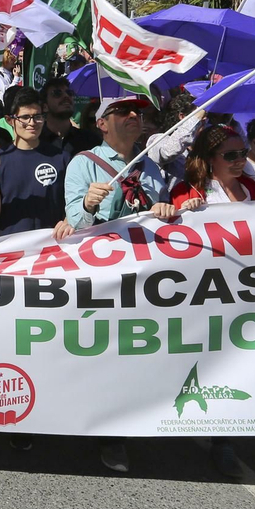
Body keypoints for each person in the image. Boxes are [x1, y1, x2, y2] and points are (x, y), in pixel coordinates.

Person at [169, 124, 255, 478]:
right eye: (229, 155)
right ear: (209, 159)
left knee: (232, 362)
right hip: (202, 293)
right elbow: (168, 234)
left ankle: (223, 439)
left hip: (246, 294)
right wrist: (182, 211)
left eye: (241, 153)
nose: (239, 160)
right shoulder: (187, 190)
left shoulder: (253, 189)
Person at [62, 95, 182, 475]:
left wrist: (166, 211)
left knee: (136, 350)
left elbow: (162, 216)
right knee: (105, 353)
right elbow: (73, 226)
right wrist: (88, 205)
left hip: (143, 275)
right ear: (101, 123)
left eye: (138, 112)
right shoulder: (83, 164)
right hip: (101, 279)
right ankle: (108, 433)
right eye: (123, 111)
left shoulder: (151, 167)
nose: (134, 116)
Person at [0, 87, 74, 241]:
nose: (32, 123)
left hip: (53, 246)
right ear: (10, 120)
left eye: (37, 116)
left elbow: (72, 203)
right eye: (24, 117)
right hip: (11, 247)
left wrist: (67, 220)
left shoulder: (61, 157)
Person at [42, 75, 101, 154]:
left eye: (69, 93)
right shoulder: (34, 140)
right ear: (45, 107)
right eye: (57, 93)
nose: (66, 96)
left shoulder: (91, 140)